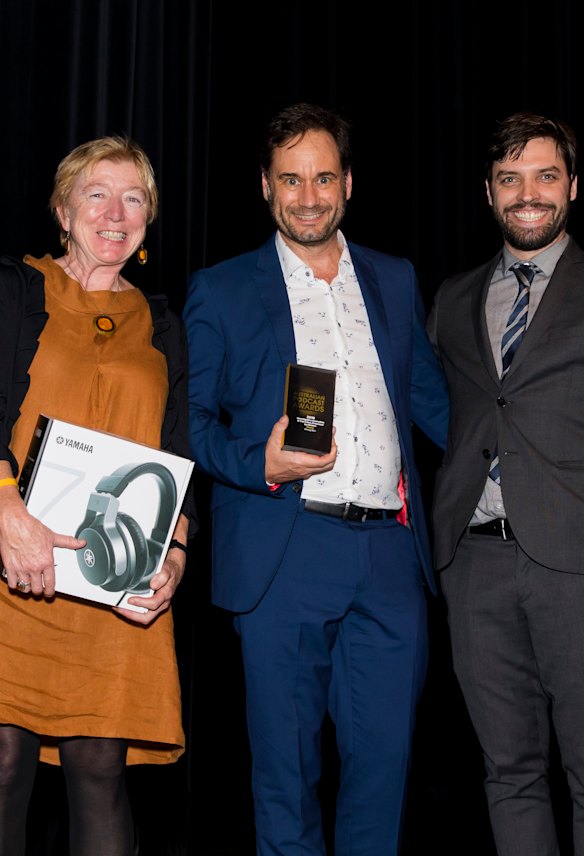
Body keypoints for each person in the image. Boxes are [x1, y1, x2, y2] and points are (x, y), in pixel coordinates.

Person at [183, 102, 448, 855]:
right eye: (291, 179)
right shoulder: (223, 289)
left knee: (384, 771)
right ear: (265, 187)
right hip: (284, 548)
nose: (308, 196)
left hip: (391, 555)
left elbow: (434, 406)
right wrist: (254, 463)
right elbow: (192, 424)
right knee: (285, 776)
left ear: (349, 183)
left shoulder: (394, 280)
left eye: (323, 177)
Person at [0, 135, 196, 856]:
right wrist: (2, 506)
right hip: (8, 570)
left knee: (98, 771)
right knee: (3, 763)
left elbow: (176, 450)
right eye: (96, 194)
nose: (115, 212)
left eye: (134, 197)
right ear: (62, 210)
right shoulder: (15, 289)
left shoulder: (165, 324)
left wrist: (173, 549)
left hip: (111, 581)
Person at [427, 111, 584, 856]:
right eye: (510, 178)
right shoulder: (453, 300)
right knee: (508, 771)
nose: (529, 193)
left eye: (546, 175)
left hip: (576, 565)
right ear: (488, 194)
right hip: (475, 565)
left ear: (573, 188)